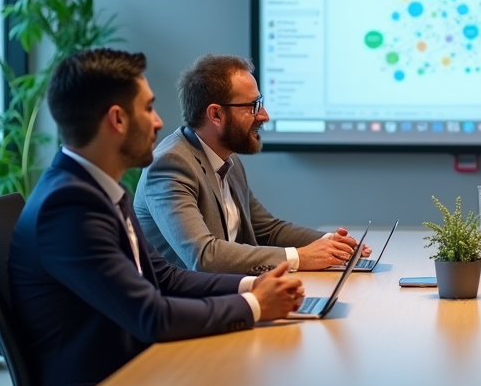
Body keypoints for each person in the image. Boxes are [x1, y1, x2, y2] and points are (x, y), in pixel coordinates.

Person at [9, 49, 355, 386]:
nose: (158, 122)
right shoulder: (69, 207)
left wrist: (253, 286)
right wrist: (255, 307)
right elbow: (151, 315)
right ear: (116, 119)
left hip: (148, 383)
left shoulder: (98, 191)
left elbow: (167, 277)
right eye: (148, 108)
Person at [134, 54, 368, 275]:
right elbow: (204, 256)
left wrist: (330, 244)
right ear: (216, 115)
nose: (264, 115)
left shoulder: (227, 158)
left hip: (228, 294)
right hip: (186, 309)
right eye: (253, 106)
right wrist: (299, 257)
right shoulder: (170, 164)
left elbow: (267, 229)